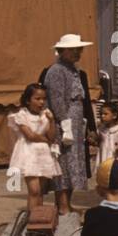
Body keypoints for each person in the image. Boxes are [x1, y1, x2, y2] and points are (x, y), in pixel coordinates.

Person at [43, 33, 99, 215]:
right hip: (64, 124)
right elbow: (57, 99)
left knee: (74, 163)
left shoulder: (74, 70)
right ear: (63, 51)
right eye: (73, 49)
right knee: (64, 164)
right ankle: (62, 204)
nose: (78, 53)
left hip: (75, 123)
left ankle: (68, 201)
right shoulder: (56, 71)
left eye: (79, 49)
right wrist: (64, 123)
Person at [7, 83, 61, 210]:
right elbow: (30, 136)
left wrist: (52, 121)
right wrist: (46, 140)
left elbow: (52, 137)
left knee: (41, 192)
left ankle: (39, 219)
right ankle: (31, 219)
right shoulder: (22, 115)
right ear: (28, 100)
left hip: (43, 154)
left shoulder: (45, 115)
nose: (41, 102)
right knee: (34, 190)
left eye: (43, 99)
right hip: (28, 153)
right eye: (37, 99)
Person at [95, 100, 118, 170]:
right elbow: (98, 142)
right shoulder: (101, 129)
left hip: (117, 159)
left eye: (105, 114)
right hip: (103, 158)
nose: (102, 116)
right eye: (101, 114)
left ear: (114, 115)